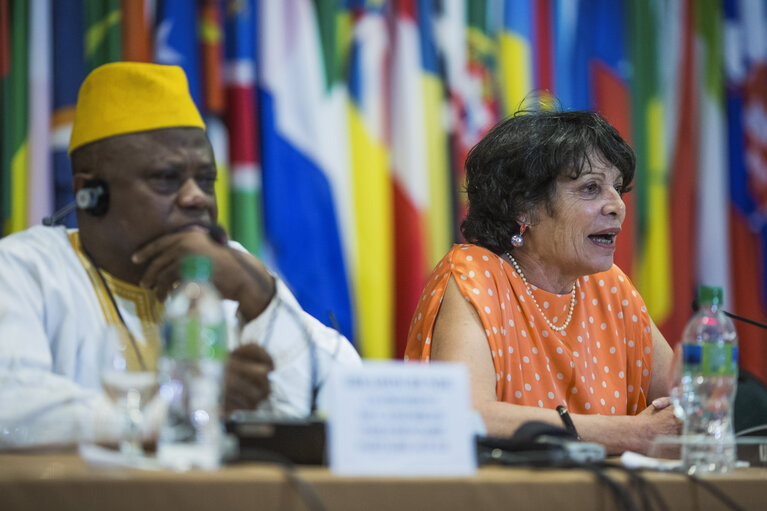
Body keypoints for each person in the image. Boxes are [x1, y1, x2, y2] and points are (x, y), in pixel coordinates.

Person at [0, 62, 360, 448]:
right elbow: (14, 407)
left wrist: (261, 300)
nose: (196, 197)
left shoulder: (225, 276)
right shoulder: (24, 270)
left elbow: (352, 402)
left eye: (206, 180)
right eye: (166, 179)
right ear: (91, 194)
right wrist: (183, 407)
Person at [405, 110, 679, 455]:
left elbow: (690, 405)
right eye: (591, 188)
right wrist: (632, 433)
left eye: (618, 188)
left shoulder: (610, 287)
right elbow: (467, 415)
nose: (616, 206)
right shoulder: (475, 275)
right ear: (525, 207)